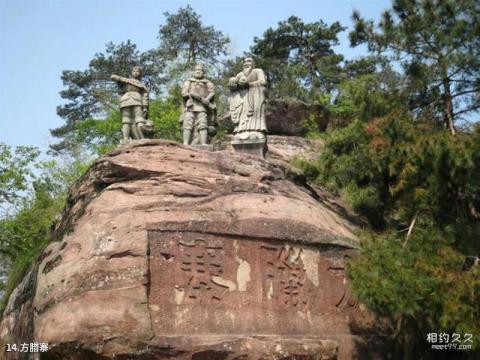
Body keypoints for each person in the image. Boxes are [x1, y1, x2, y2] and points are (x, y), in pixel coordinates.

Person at [228, 57, 267, 141]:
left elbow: (263, 82)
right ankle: (241, 131)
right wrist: (232, 81)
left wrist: (248, 84)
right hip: (243, 99)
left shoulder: (258, 71)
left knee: (259, 93)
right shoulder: (240, 74)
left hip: (254, 97)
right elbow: (233, 86)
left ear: (253, 64)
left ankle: (256, 130)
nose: (246, 63)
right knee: (243, 114)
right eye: (245, 62)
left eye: (249, 61)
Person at [180, 64, 216, 145]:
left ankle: (204, 143)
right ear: (194, 71)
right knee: (187, 124)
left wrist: (206, 99)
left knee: (203, 124)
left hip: (202, 107)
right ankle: (185, 143)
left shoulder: (207, 82)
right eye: (197, 69)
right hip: (191, 106)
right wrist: (191, 95)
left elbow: (212, 92)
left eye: (200, 70)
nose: (198, 71)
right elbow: (183, 93)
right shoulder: (188, 82)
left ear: (203, 72)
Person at [111, 66, 149, 141]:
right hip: (125, 100)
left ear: (140, 74)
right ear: (131, 73)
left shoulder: (142, 85)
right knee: (126, 120)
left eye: (137, 71)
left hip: (137, 100)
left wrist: (145, 107)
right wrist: (123, 79)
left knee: (139, 119)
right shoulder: (126, 81)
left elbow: (145, 96)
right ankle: (125, 139)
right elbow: (113, 77)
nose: (135, 73)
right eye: (134, 71)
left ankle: (142, 138)